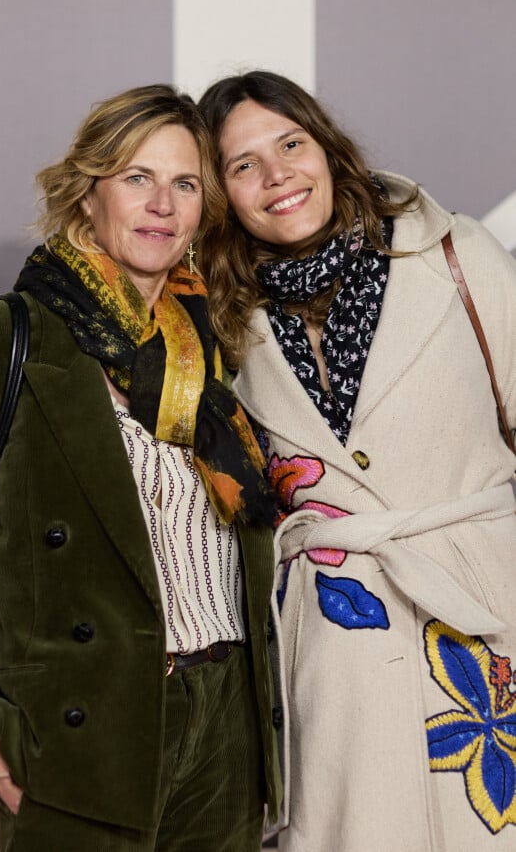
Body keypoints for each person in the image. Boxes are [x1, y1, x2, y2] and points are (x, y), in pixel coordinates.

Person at [0, 84, 283, 852]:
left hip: (225, 726)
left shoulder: (216, 347)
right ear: (86, 195)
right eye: (136, 177)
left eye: (185, 184)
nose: (162, 203)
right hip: (83, 729)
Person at [197, 70, 516, 852]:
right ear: (221, 193)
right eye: (242, 165)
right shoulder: (220, 312)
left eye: (291, 144)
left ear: (327, 146)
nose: (277, 176)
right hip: (337, 651)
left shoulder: (456, 253)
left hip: (485, 613)